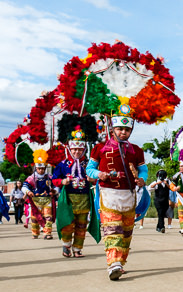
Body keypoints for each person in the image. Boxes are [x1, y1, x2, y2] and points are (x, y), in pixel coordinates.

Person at [86, 104, 147, 280]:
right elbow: (89, 169)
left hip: (129, 196)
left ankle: (120, 262)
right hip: (108, 196)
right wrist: (100, 174)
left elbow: (143, 170)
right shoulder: (100, 148)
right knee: (113, 231)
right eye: (119, 129)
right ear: (112, 128)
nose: (123, 133)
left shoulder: (136, 150)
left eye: (127, 130)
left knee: (126, 234)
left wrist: (142, 178)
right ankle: (113, 264)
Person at [52, 123, 96, 258]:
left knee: (82, 225)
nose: (77, 152)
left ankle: (77, 248)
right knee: (67, 224)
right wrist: (62, 182)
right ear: (70, 149)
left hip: (84, 199)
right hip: (68, 199)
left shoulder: (89, 164)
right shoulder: (63, 164)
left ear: (84, 150)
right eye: (74, 149)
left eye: (79, 150)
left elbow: (96, 178)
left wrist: (92, 179)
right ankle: (66, 246)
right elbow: (54, 180)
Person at [22, 150, 56, 239]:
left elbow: (56, 186)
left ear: (45, 168)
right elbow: (24, 186)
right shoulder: (31, 178)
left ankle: (47, 233)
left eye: (42, 169)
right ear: (36, 168)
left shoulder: (49, 177)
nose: (41, 170)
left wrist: (54, 191)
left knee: (48, 217)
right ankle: (35, 233)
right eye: (39, 169)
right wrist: (28, 191)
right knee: (35, 218)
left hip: (47, 200)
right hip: (35, 201)